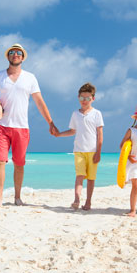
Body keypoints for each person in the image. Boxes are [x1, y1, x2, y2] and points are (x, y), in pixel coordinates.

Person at [0, 44, 58, 208]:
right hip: (1, 126)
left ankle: (17, 197)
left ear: (23, 57)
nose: (15, 55)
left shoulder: (30, 78)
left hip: (22, 127)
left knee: (19, 164)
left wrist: (50, 123)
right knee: (0, 161)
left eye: (18, 53)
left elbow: (39, 102)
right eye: (12, 52)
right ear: (8, 56)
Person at [54, 83, 104, 211]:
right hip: (79, 150)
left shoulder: (97, 114)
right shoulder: (75, 114)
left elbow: (100, 135)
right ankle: (76, 199)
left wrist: (98, 152)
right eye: (82, 98)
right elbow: (72, 131)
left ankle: (88, 202)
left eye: (87, 98)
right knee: (79, 175)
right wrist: (59, 134)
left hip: (92, 151)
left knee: (91, 178)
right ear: (78, 98)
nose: (84, 101)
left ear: (93, 98)